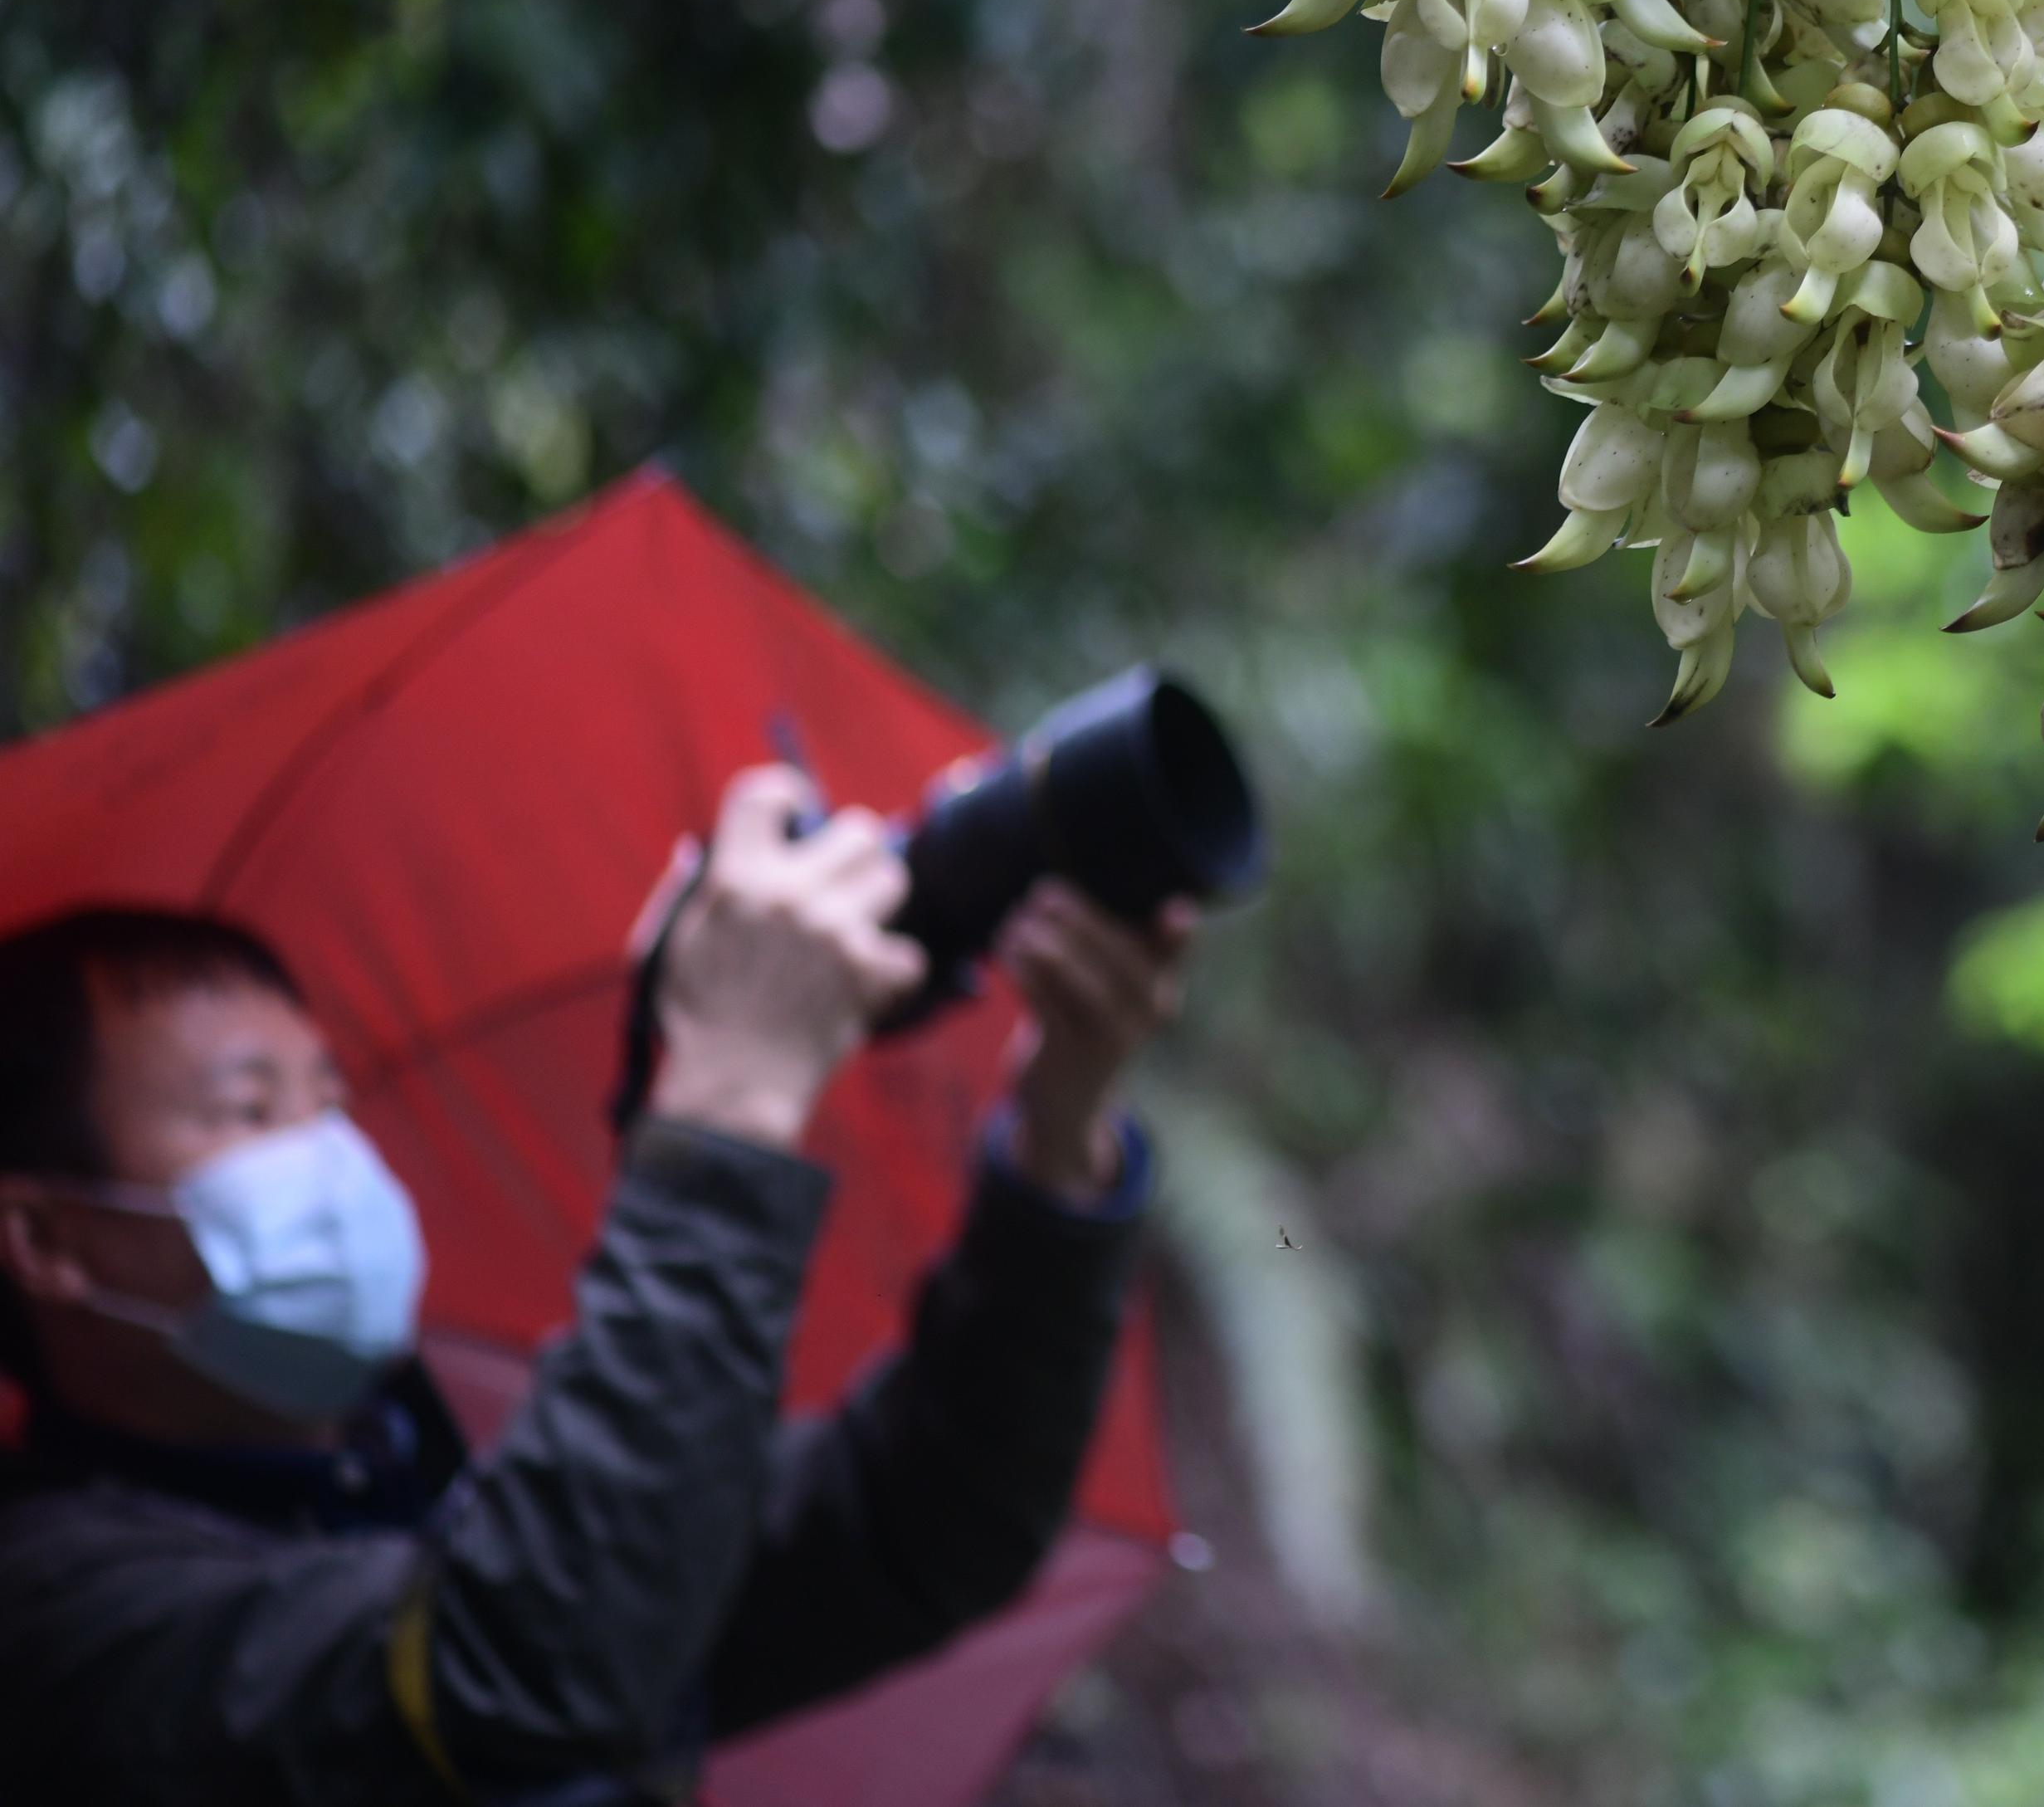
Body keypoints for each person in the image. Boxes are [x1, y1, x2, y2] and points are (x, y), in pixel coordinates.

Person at [0, 766, 1193, 1805]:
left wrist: (1058, 1137)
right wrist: (732, 1097)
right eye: (248, 1111)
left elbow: (919, 1521)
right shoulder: (58, 1618)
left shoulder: (411, 1479)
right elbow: (530, 1667)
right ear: (50, 1241)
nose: (325, 1155)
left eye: (327, 1100)